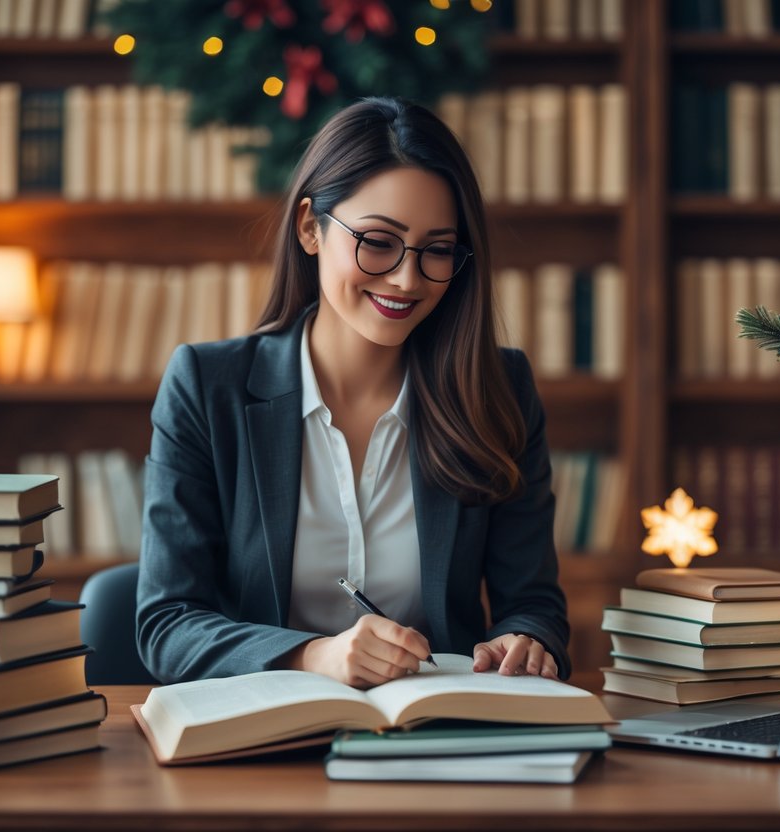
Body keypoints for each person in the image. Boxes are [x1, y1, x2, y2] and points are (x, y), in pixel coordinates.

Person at [137, 97, 570, 688]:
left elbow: (534, 605)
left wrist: (526, 641)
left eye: (438, 249)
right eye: (378, 240)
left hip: (435, 736)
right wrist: (315, 655)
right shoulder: (206, 387)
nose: (407, 278)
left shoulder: (498, 390)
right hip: (262, 737)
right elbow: (167, 624)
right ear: (310, 227)